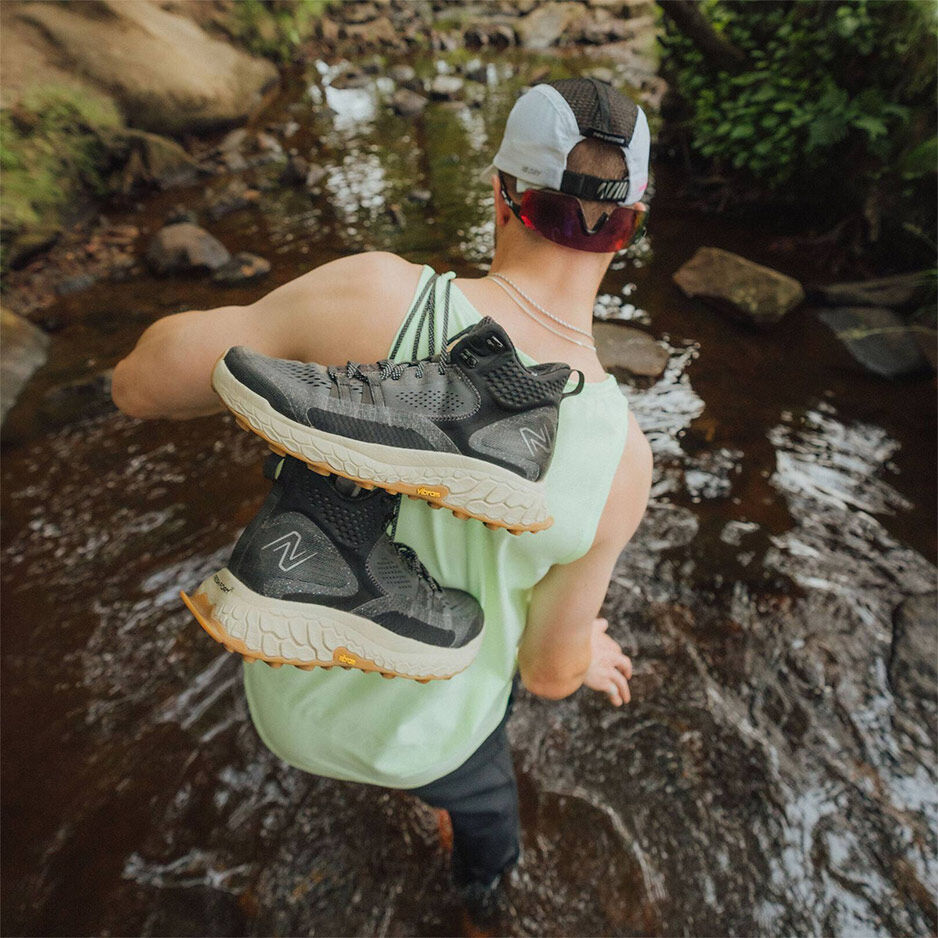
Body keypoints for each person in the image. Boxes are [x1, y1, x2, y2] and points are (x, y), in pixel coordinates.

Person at [112, 77, 654, 922]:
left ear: (502, 194)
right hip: (429, 741)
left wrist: (300, 342)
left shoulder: (374, 296)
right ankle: (477, 893)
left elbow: (139, 386)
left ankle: (350, 485)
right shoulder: (623, 457)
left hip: (286, 703)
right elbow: (550, 675)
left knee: (317, 424)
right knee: (487, 809)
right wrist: (587, 648)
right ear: (631, 226)